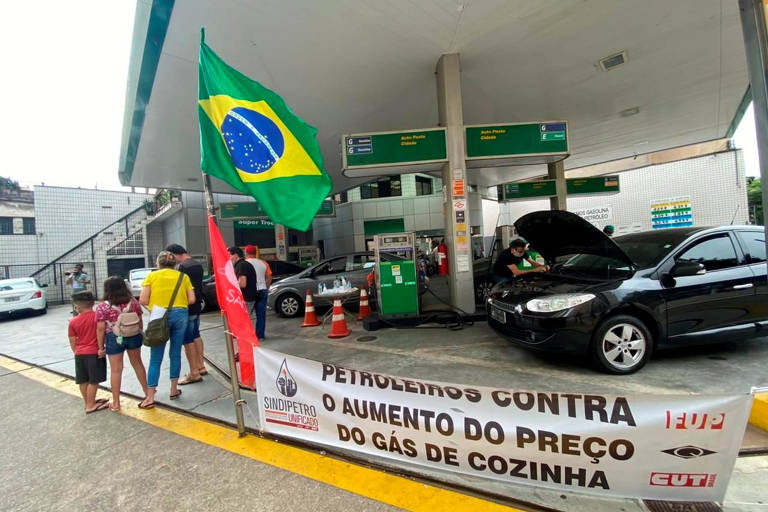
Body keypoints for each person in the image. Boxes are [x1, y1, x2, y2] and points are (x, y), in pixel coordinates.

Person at [138, 251, 195, 409]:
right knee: (175, 352)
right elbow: (192, 299)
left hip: (159, 313)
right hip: (181, 314)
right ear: (174, 263)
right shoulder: (183, 277)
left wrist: (155, 309)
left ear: (158, 263)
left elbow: (142, 299)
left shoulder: (152, 277)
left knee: (155, 358)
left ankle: (149, 397)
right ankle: (173, 389)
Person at [95, 276, 148, 412]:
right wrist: (139, 333)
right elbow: (139, 319)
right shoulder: (133, 302)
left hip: (114, 337)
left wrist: (100, 347)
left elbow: (100, 328)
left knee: (116, 370)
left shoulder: (102, 307)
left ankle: (116, 403)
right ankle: (148, 395)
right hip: (133, 335)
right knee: (138, 364)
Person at [166, 244, 207, 385]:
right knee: (196, 335)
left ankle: (194, 372)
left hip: (186, 306)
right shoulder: (197, 264)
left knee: (187, 339)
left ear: (174, 254)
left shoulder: (183, 267)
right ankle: (201, 366)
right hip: (196, 306)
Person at [68, 291, 108, 414]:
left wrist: (76, 351)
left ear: (78, 306)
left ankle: (88, 402)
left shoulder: (73, 321)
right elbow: (102, 332)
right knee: (93, 380)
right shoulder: (97, 317)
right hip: (94, 352)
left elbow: (72, 339)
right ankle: (91, 405)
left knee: (83, 380)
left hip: (80, 353)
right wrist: (102, 348)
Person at [245, 244, 272, 340]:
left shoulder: (244, 264)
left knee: (246, 315)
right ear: (255, 253)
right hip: (262, 290)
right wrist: (266, 287)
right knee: (261, 315)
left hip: (249, 292)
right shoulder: (264, 263)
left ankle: (248, 336)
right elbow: (269, 277)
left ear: (246, 253)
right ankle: (260, 336)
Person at [228, 246, 257, 328]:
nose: (229, 258)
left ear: (236, 255)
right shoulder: (243, 264)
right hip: (247, 297)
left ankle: (246, 339)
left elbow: (242, 283)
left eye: (230, 255)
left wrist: (230, 285)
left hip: (245, 298)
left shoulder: (241, 266)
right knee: (244, 321)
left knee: (243, 322)